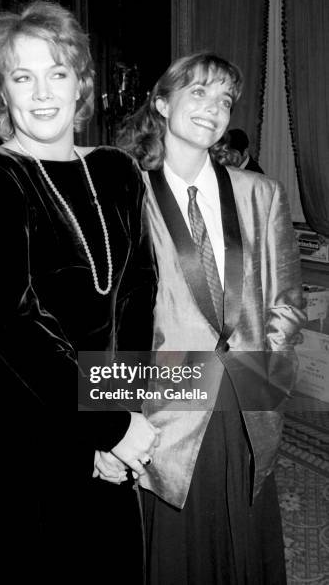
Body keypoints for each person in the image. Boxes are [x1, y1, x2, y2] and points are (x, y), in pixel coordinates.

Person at [0, 0, 159, 583]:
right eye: (23, 77)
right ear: (0, 93)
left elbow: (137, 302)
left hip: (102, 403)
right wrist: (109, 430)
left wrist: (124, 415)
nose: (42, 93)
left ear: (81, 84)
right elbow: (12, 322)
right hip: (13, 414)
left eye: (57, 73)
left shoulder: (118, 171)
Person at [116, 52, 306, 584]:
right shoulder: (124, 193)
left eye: (224, 99)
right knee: (172, 552)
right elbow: (103, 319)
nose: (214, 108)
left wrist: (260, 371)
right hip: (163, 398)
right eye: (198, 92)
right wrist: (104, 418)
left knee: (246, 538)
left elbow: (288, 302)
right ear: (160, 102)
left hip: (248, 391)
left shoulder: (260, 194)